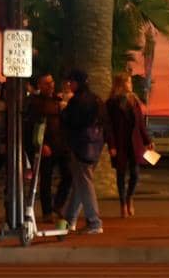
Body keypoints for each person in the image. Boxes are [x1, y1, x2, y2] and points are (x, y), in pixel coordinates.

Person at [58, 70, 104, 235]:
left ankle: (94, 221)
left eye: (72, 82)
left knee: (84, 182)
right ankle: (69, 219)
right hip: (95, 145)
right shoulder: (96, 99)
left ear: (77, 83)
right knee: (80, 183)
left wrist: (63, 109)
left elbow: (71, 121)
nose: (70, 84)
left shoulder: (76, 101)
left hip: (80, 146)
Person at [104, 72, 153, 219]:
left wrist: (147, 140)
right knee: (120, 174)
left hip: (135, 142)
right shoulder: (111, 103)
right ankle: (122, 204)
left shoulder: (135, 101)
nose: (130, 85)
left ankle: (130, 197)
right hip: (120, 143)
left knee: (135, 174)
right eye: (128, 82)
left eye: (130, 82)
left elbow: (140, 124)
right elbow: (109, 127)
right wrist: (111, 145)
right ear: (120, 84)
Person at [26, 75, 71, 219]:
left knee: (68, 175)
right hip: (46, 146)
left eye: (51, 82)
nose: (50, 85)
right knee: (46, 179)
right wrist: (42, 144)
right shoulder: (35, 103)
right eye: (46, 83)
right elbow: (33, 125)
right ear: (40, 85)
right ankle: (47, 212)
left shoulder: (58, 101)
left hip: (61, 145)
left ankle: (58, 204)